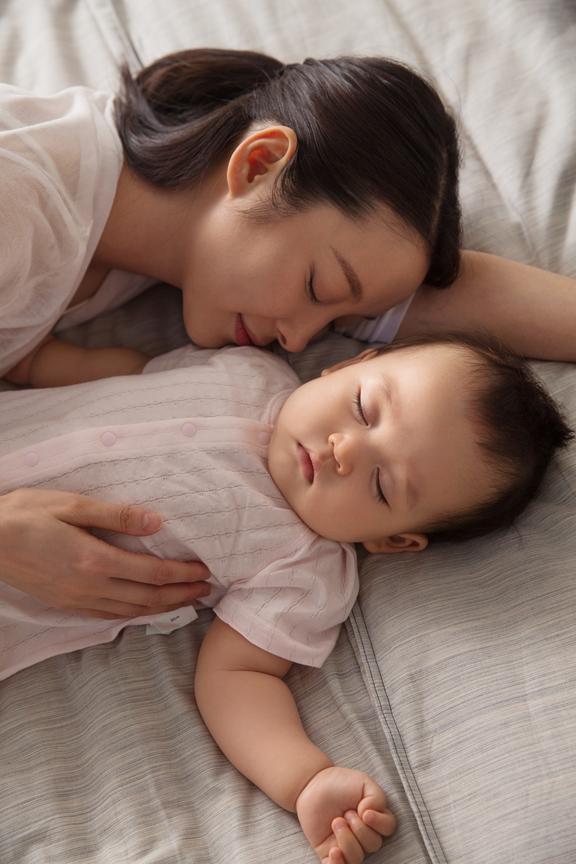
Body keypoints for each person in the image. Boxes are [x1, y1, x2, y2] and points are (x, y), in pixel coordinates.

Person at [1, 48, 575, 621]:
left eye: (333, 322)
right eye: (320, 289)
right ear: (258, 164)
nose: (299, 342)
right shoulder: (18, 204)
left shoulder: (174, 222)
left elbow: (447, 315)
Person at [0, 333, 572, 863]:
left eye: (379, 485)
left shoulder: (304, 565)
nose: (345, 450)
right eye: (364, 410)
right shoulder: (250, 368)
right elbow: (136, 373)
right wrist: (40, 359)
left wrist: (304, 779)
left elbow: (237, 677)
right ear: (348, 366)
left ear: (392, 540)